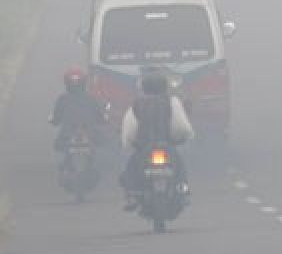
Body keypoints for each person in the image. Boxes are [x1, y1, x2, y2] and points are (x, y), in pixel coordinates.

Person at [119, 70, 194, 210]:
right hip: (166, 144)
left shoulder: (137, 103)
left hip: (144, 146)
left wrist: (131, 142)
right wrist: (180, 138)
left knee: (130, 168)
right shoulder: (171, 101)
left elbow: (131, 126)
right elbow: (180, 124)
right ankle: (184, 192)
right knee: (180, 168)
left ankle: (131, 196)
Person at [48, 67, 106, 153]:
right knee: (102, 145)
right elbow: (100, 118)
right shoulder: (91, 98)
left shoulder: (62, 99)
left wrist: (53, 120)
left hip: (76, 135)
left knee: (58, 147)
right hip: (87, 135)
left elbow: (56, 119)